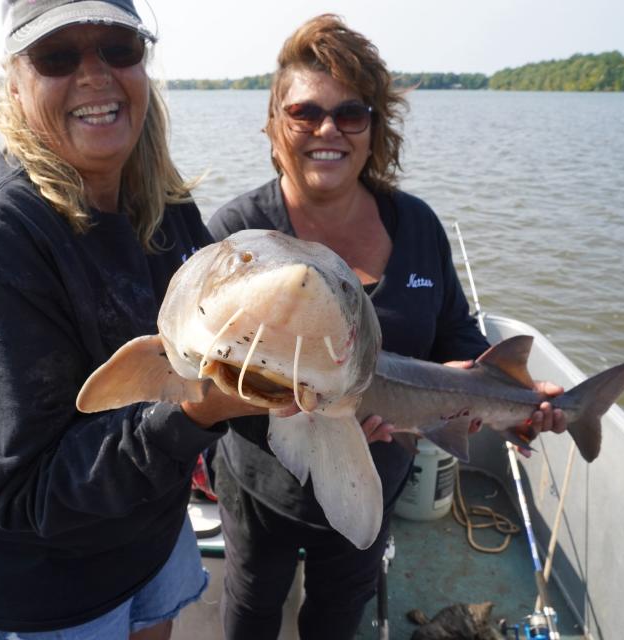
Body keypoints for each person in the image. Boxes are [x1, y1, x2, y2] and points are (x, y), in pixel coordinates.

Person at [0, 1, 266, 638]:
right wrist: (196, 412)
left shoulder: (165, 203)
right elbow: (28, 494)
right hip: (37, 581)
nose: (95, 75)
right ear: (14, 81)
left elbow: (227, 336)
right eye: (57, 56)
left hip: (147, 527)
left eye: (118, 50)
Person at [206, 14, 567, 640]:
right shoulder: (238, 238)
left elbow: (458, 338)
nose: (328, 130)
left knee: (339, 611)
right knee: (252, 605)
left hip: (379, 474)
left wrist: (507, 400)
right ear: (273, 124)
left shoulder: (417, 225)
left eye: (351, 113)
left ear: (375, 129)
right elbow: (203, 373)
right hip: (264, 488)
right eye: (304, 113)